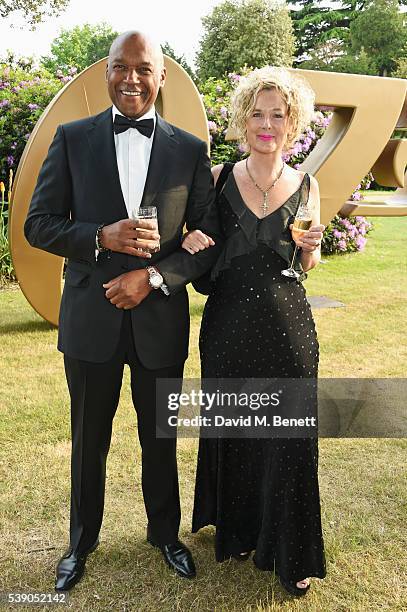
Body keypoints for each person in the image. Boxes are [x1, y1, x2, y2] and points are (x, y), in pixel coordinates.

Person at [24, 31, 222, 591]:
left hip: (160, 319)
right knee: (89, 438)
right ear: (105, 73)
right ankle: (80, 542)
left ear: (161, 77)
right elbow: (38, 225)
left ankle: (165, 534)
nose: (131, 78)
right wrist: (100, 237)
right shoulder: (71, 139)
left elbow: (204, 238)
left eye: (143, 68)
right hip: (90, 322)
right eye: (120, 67)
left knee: (159, 437)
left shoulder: (190, 150)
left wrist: (154, 276)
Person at [182, 66, 327, 597]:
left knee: (288, 436)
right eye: (258, 114)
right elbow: (200, 242)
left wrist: (311, 249)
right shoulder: (219, 178)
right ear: (244, 120)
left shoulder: (307, 185)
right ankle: (239, 529)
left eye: (278, 115)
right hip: (227, 327)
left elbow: (307, 263)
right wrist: (191, 241)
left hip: (288, 328)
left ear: (293, 124)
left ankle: (294, 551)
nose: (267, 124)